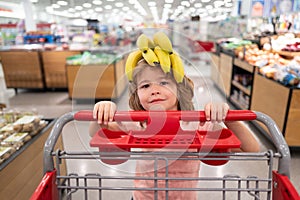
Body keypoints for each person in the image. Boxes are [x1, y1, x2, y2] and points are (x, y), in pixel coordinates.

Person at [89, 36, 259, 200]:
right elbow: (96, 132)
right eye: (145, 85)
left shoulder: (197, 124)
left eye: (163, 83)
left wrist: (228, 118)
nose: (154, 90)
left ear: (179, 89)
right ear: (137, 94)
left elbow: (252, 149)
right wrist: (101, 113)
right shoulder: (138, 123)